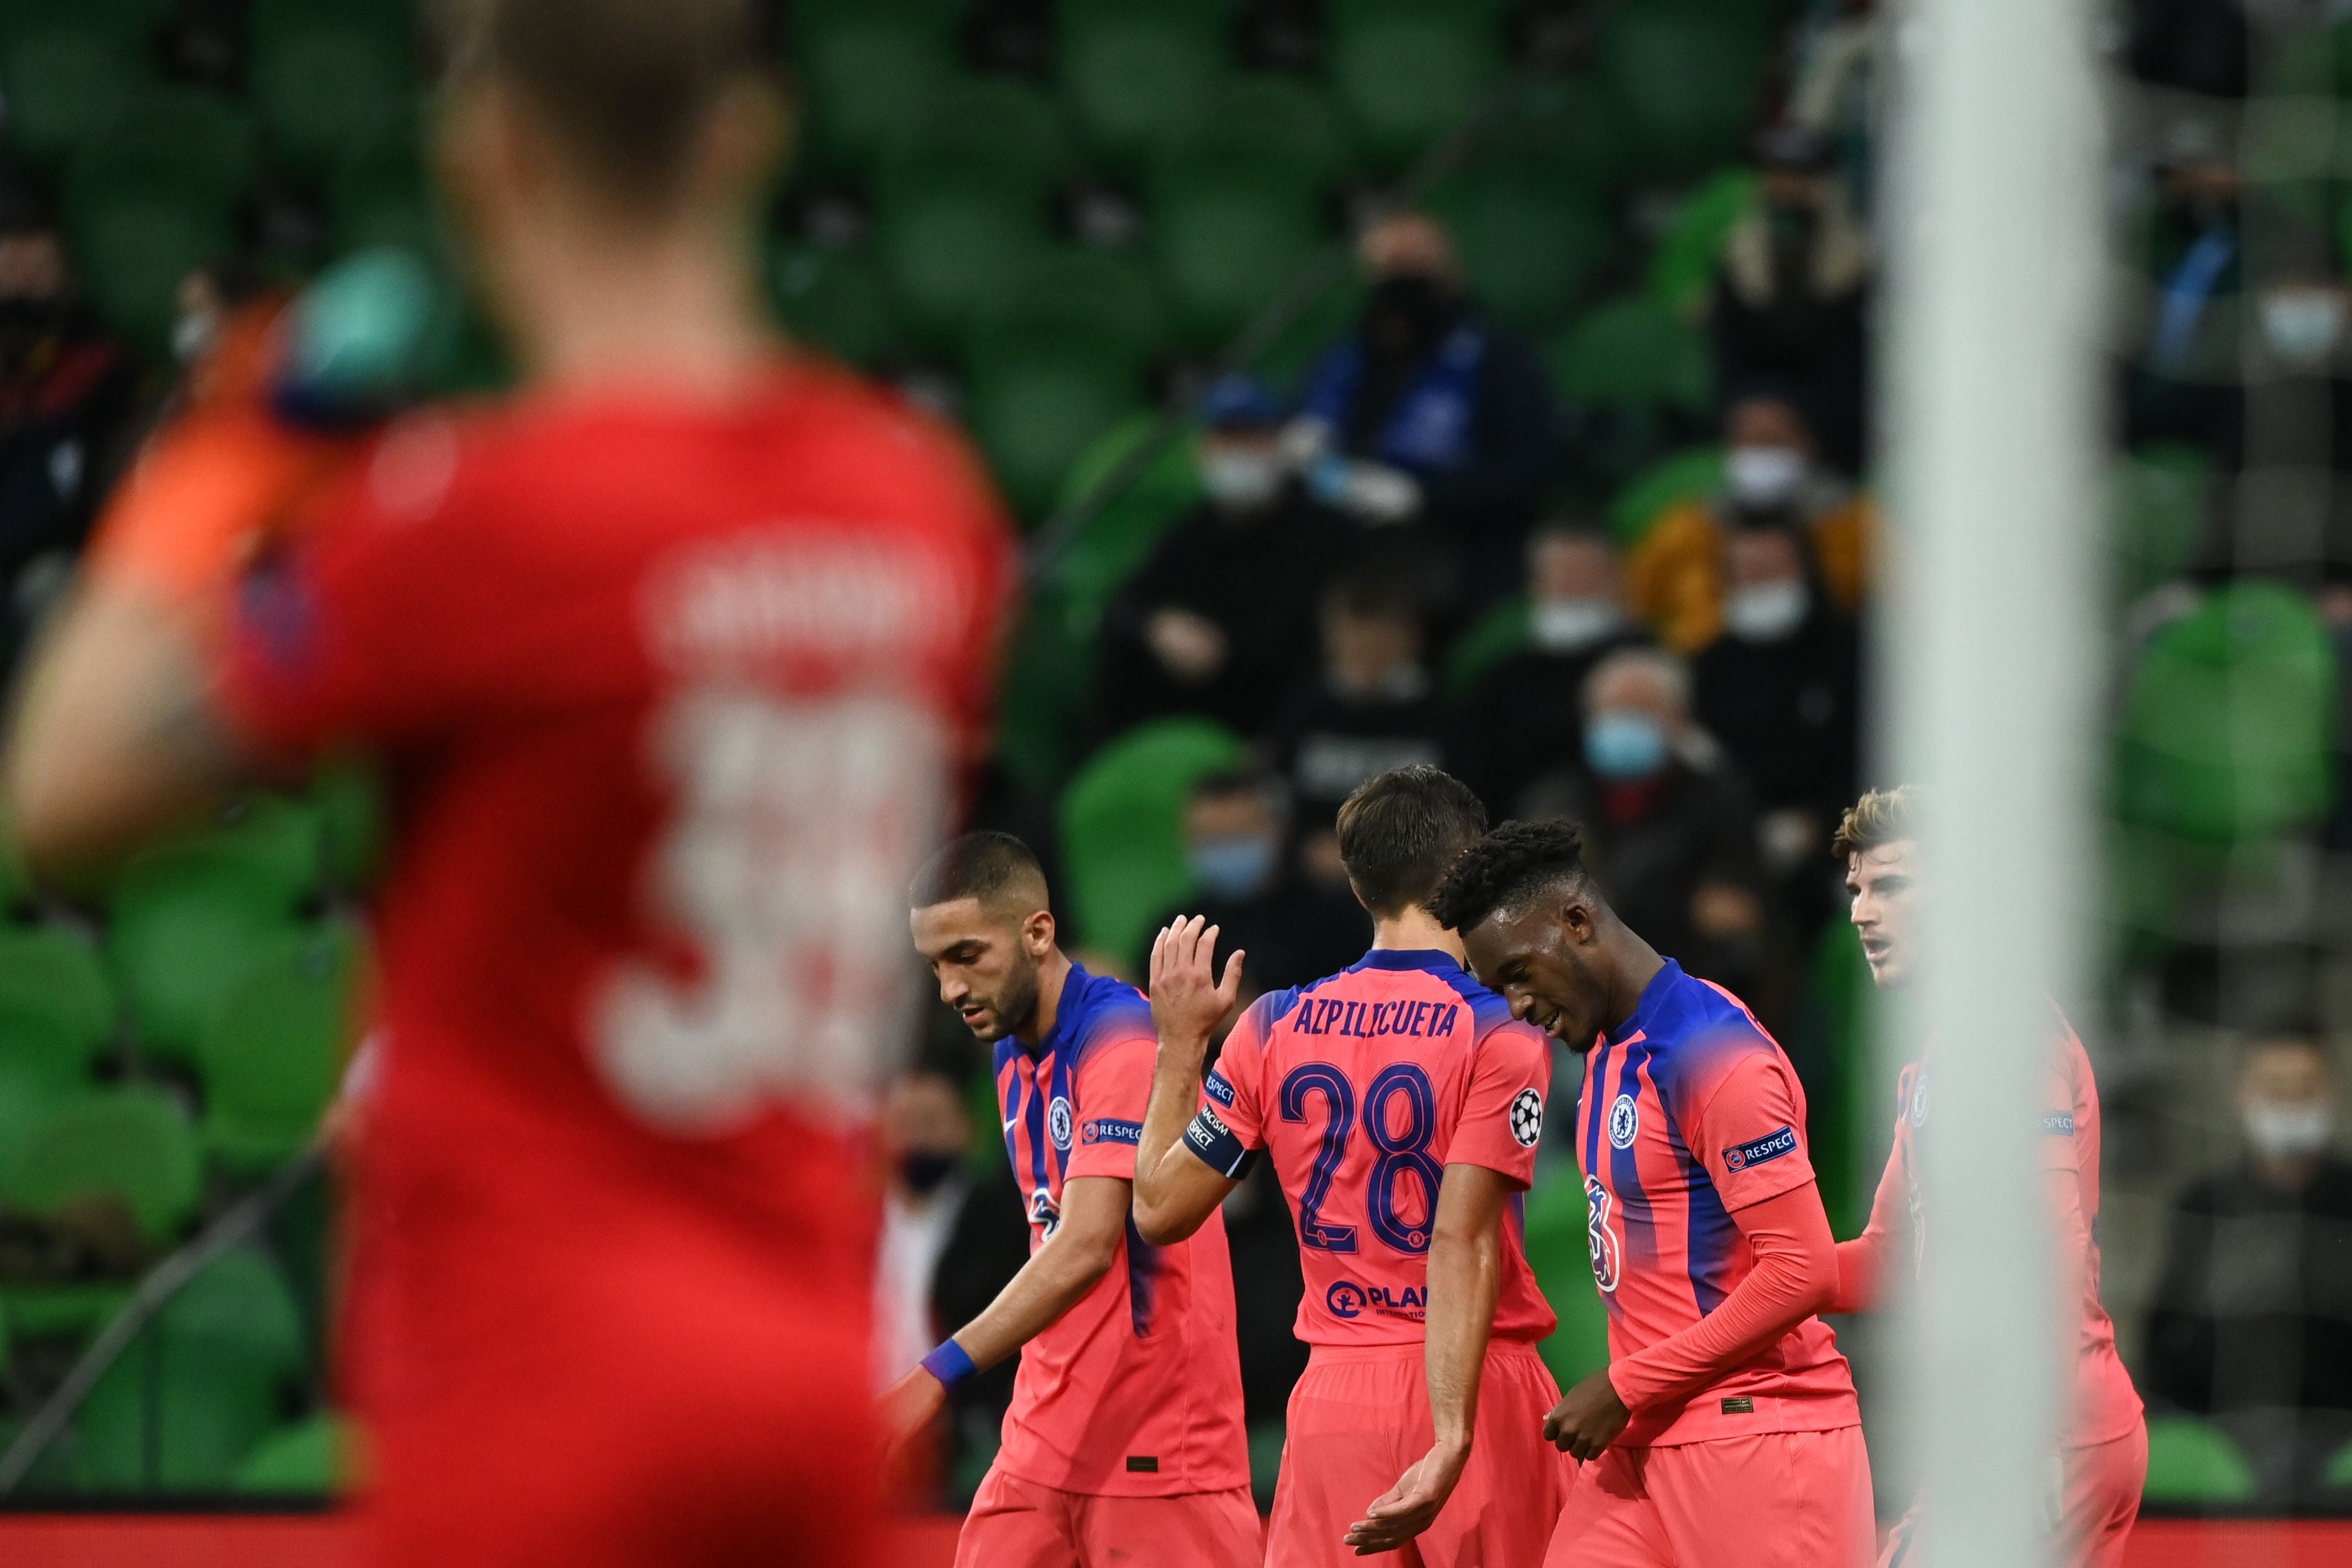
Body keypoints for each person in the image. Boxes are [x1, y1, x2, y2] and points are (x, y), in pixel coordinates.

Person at [2, 1, 1013, 1562]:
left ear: (487, 154)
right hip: (807, 1374)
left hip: (546, 1390)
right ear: (751, 132)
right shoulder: (918, 510)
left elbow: (63, 788)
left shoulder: (476, 524)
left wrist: (233, 451)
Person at [1128, 766, 1567, 1567]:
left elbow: (1156, 1208)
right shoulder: (1502, 1032)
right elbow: (1460, 1241)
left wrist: (1178, 1048)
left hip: (1335, 1396)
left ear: (1357, 884)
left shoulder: (1270, 1026)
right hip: (1472, 1380)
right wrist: (1450, 1430)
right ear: (1470, 872)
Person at [1426, 818, 1873, 1568]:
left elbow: (1802, 1269)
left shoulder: (1713, 1053)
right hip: (1642, 1450)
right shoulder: (1608, 1046)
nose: (1516, 1005)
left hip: (1757, 1435)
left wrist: (1626, 1383)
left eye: (1518, 973)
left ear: (1576, 921)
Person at [898, 832, 1257, 1568]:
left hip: (1155, 1452)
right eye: (935, 966)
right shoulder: (1009, 1048)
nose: (951, 989)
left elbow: (1090, 1242)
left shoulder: (1119, 1039)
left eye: (967, 955)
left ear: (1037, 931)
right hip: (1039, 1440)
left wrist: (937, 1372)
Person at [1833, 787, 2147, 1567]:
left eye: (1893, 885)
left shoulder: (2012, 1036)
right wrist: (1746, 1280)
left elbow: (2053, 1232)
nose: (1862, 914)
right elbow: (1884, 1256)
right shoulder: (1938, 1055)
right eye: (1857, 890)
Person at [1290, 212, 1556, 587]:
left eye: (1414, 267)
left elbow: (1527, 470)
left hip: (1461, 554)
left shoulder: (1498, 357)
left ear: (1451, 273)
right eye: (1388, 269)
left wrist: (1420, 497)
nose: (1400, 285)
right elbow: (1303, 440)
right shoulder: (1342, 360)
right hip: (1347, 552)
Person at [2147, 1035, 2352, 1496]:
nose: (2290, 1103)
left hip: (2336, 1433)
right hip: (2219, 1432)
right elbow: (2163, 1342)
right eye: (2274, 1088)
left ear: (2330, 1092)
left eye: (2304, 1088)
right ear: (2240, 1093)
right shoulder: (2204, 1205)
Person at [1096, 376, 1349, 737]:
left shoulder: (1321, 532)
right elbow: (1124, 602)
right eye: (1226, 438)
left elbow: (1303, 638)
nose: (1238, 452)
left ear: (1279, 444)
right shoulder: (1195, 529)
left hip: (1271, 709)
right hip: (1190, 700)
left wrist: (1223, 650)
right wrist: (1159, 626)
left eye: (1251, 437)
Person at [1518, 648, 1769, 1001]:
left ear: (1679, 719)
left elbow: (1730, 909)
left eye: (1640, 711)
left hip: (1683, 985)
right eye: (1613, 711)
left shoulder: (1719, 798)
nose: (1624, 723)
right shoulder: (1552, 801)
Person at [1690, 522, 1861, 934]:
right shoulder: (1709, 668)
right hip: (1737, 846)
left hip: (1845, 838)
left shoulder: (1853, 653)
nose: (1756, 583)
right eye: (1743, 573)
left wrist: (1819, 823)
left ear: (1805, 570)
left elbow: (1877, 753)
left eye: (1769, 570)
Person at [1626, 389, 1875, 655]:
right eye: (1749, 442)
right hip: (1706, 663)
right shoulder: (1689, 525)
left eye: (1773, 441)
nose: (1761, 454)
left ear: (1808, 445)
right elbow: (1632, 602)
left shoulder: (1855, 522)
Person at [1453, 517, 1651, 815]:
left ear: (1614, 578)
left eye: (1584, 573)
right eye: (1560, 573)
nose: (1571, 586)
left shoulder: (1647, 666)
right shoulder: (1505, 678)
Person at [1705, 127, 1872, 474]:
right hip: (1753, 417)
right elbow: (1728, 357)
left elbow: (1850, 362)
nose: (1787, 189)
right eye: (1777, 177)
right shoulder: (1738, 259)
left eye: (1798, 177)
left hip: (1832, 436)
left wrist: (1803, 425)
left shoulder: (1853, 262)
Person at [1267, 568, 1451, 876]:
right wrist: (1305, 847)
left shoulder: (1443, 718)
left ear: (1410, 640)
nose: (1368, 661)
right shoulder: (1302, 713)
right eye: (1356, 648)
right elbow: (1277, 801)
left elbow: (1461, 815)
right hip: (1313, 882)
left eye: (1379, 648)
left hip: (1413, 881)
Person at [1136, 768, 1367, 992]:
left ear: (1275, 828)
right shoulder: (1175, 934)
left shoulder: (1334, 922)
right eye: (1211, 840)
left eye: (1238, 834)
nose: (1226, 849)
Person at [873, 1053, 979, 1391]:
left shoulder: (992, 1226)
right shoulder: (851, 1220)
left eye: (931, 1123)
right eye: (905, 1123)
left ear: (965, 1128)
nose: (917, 1138)